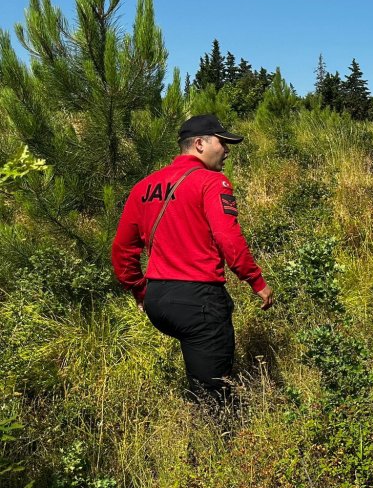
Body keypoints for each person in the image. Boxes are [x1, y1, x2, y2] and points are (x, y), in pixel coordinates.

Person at [112, 114, 274, 405]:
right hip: (198, 299)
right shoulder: (211, 182)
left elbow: (123, 249)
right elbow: (229, 239)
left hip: (158, 300)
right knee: (215, 397)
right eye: (222, 143)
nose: (227, 150)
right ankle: (214, 444)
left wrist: (139, 289)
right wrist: (256, 280)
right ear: (199, 144)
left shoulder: (144, 187)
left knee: (200, 374)